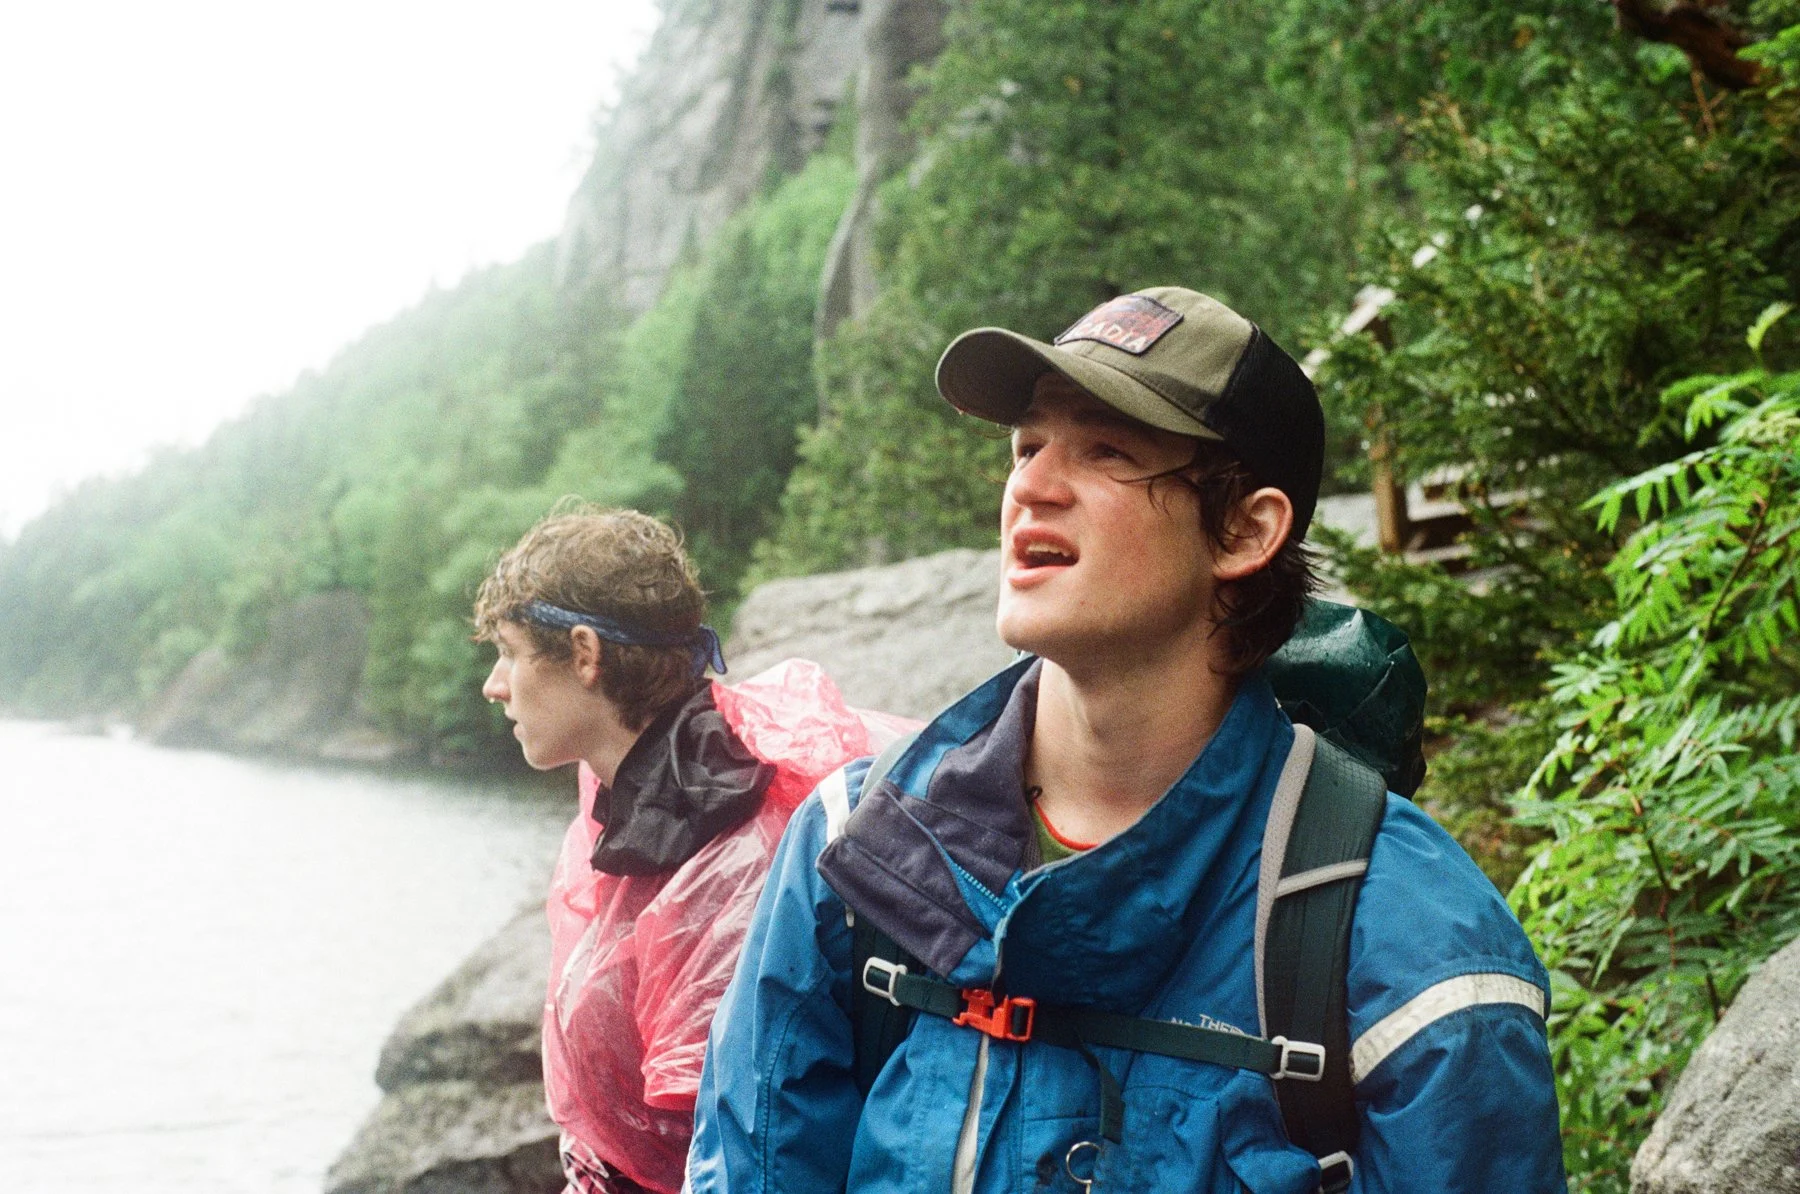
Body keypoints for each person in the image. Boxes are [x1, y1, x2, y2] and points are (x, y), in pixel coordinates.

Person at [684, 288, 1566, 1192]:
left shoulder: (1416, 953)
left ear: (1245, 531)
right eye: (1027, 446)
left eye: (1108, 449)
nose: (1030, 484)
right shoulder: (854, 856)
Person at [474, 504, 908, 1194]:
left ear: (584, 655)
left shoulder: (724, 839)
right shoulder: (630, 785)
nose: (494, 685)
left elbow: (733, 1144)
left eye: (510, 652)